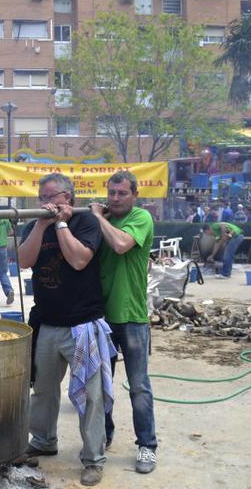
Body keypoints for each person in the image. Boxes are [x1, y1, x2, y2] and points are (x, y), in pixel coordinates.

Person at [17, 173, 114, 487]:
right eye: (41, 197)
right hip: (46, 321)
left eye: (52, 196)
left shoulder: (86, 222)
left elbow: (78, 260)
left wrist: (60, 224)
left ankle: (93, 458)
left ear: (68, 197)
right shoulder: (36, 224)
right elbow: (23, 260)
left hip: (82, 324)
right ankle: (44, 439)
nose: (45, 202)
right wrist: (43, 224)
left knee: (90, 395)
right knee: (43, 390)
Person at [89, 172, 158, 475]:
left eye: (121, 193)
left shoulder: (140, 218)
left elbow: (120, 245)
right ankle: (104, 433)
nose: (115, 198)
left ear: (134, 194)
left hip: (131, 317)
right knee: (101, 385)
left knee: (139, 387)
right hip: (101, 316)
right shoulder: (102, 219)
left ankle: (147, 446)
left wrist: (97, 217)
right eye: (111, 192)